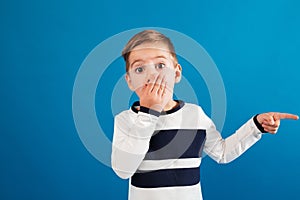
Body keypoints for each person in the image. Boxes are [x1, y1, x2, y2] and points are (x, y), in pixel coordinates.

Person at [111, 30, 298, 200]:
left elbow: (223, 153)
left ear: (176, 73)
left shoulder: (195, 115)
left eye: (160, 65)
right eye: (140, 69)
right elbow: (123, 170)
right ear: (129, 81)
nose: (152, 75)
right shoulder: (126, 120)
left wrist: (255, 125)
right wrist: (148, 114)